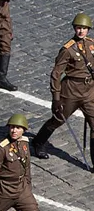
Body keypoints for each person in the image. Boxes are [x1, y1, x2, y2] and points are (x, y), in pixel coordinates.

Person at [25, 14, 94, 159]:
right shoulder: (67, 49)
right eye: (78, 28)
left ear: (88, 30)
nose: (81, 31)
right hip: (71, 91)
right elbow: (56, 74)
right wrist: (56, 98)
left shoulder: (91, 44)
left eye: (84, 28)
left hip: (89, 91)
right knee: (58, 119)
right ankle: (39, 142)